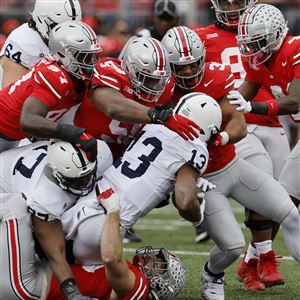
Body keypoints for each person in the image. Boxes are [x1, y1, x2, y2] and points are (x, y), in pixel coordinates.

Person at [60, 93, 221, 268]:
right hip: (106, 225)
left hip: (82, 205)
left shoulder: (151, 126)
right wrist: (198, 217)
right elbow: (184, 201)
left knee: (56, 268)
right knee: (124, 286)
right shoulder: (195, 147)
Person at [196, 0, 290, 290]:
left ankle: (252, 258)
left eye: (237, 1)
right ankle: (262, 258)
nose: (232, 7)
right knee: (257, 188)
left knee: (284, 195)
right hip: (233, 121)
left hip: (269, 116)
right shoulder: (200, 37)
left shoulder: (266, 29)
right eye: (226, 2)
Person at [74, 36, 201, 242]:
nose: (154, 86)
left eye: (159, 79)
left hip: (121, 161)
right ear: (130, 69)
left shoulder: (165, 86)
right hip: (83, 149)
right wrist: (158, 115)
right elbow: (112, 107)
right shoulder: (109, 70)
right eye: (148, 79)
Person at [0, 192, 187, 300]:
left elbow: (111, 256)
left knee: (13, 203)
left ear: (164, 286)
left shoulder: (139, 285)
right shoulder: (133, 273)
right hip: (33, 274)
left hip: (28, 285)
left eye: (160, 264)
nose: (152, 259)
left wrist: (113, 211)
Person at [161, 25, 245, 243]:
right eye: (181, 67)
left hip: (215, 155)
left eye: (193, 64)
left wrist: (221, 138)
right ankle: (198, 219)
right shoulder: (161, 84)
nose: (188, 72)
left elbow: (238, 122)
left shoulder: (215, 76)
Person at [0, 137, 113, 299]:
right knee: (22, 289)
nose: (85, 184)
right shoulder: (44, 195)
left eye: (88, 176)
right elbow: (56, 254)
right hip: (6, 198)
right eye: (77, 181)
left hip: (21, 159)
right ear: (57, 174)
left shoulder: (99, 153)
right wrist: (72, 292)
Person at [229, 5, 300, 205]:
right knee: (284, 200)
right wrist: (212, 112)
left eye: (258, 42)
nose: (252, 49)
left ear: (276, 34)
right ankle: (262, 239)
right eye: (248, 44)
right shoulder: (258, 61)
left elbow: (294, 102)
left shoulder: (295, 48)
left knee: (285, 199)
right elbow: (241, 94)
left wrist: (253, 107)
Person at [0, 21, 101, 157]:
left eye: (93, 56)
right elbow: (28, 120)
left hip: (12, 135)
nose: (91, 63)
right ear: (63, 55)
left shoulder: (75, 75)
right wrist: (73, 134)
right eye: (84, 56)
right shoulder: (53, 75)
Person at [0, 0, 82, 89]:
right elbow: (11, 95)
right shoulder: (23, 41)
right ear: (41, 19)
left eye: (73, 27)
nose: (67, 34)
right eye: (59, 27)